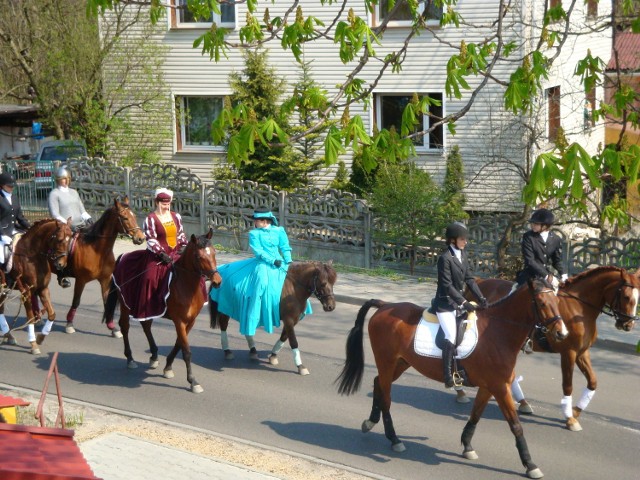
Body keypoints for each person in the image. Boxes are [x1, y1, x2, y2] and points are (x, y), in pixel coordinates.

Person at [210, 207, 310, 340]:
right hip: (262, 263)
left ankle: (301, 308)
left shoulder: (279, 231)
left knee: (295, 282)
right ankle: (253, 318)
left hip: (280, 262)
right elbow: (258, 252)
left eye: (256, 220)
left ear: (263, 221)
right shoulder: (254, 234)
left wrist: (288, 261)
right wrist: (272, 260)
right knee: (261, 284)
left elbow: (285, 247)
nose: (254, 223)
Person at [112, 187, 188, 321]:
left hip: (176, 253)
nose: (166, 206)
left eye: (168, 203)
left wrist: (184, 246)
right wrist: (161, 253)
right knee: (149, 278)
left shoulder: (176, 216)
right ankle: (147, 307)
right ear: (156, 202)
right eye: (163, 203)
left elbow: (181, 234)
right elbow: (151, 239)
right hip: (157, 256)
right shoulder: (151, 219)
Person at [431, 222, 487, 388]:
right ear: (453, 240)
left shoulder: (462, 254)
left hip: (457, 303)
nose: (465, 242)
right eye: (463, 239)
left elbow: (469, 279)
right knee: (450, 334)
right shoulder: (444, 258)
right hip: (445, 304)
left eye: (465, 239)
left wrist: (480, 297)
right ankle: (447, 375)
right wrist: (463, 302)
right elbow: (447, 285)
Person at [48, 166, 93, 288]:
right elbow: (55, 214)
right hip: (64, 226)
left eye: (67, 178)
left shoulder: (74, 192)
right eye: (63, 179)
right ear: (58, 180)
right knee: (65, 245)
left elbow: (81, 209)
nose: (66, 181)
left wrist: (88, 217)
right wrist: (67, 225)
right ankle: (62, 274)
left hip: (80, 224)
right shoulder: (54, 194)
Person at [515, 208, 567, 288]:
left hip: (546, 276)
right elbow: (530, 261)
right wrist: (547, 276)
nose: (532, 225)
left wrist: (563, 274)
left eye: (536, 224)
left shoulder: (556, 239)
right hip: (530, 276)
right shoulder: (528, 237)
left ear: (545, 226)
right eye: (532, 223)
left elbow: (556, 261)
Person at [0, 172, 31, 272]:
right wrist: (2, 234)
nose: (12, 188)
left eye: (13, 186)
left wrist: (30, 227)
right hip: (2, 233)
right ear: (2, 185)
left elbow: (20, 217)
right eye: (9, 186)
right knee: (1, 256)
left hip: (14, 229)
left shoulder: (14, 198)